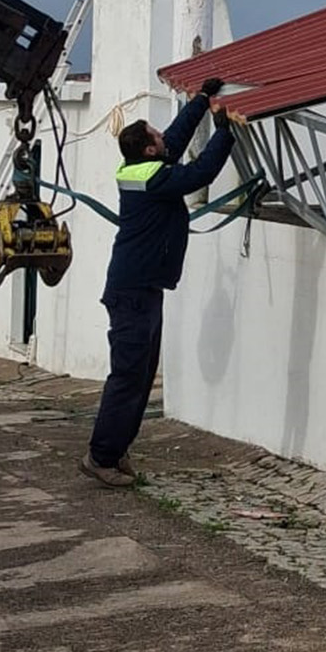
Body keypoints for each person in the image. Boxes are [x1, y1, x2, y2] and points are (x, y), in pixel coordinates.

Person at [82, 78, 236, 487]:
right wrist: (224, 132)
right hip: (134, 293)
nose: (163, 138)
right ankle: (100, 457)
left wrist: (200, 100)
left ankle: (115, 450)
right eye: (157, 136)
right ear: (150, 150)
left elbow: (175, 138)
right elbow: (202, 171)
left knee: (140, 377)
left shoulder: (141, 168)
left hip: (141, 289)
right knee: (128, 378)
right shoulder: (155, 179)